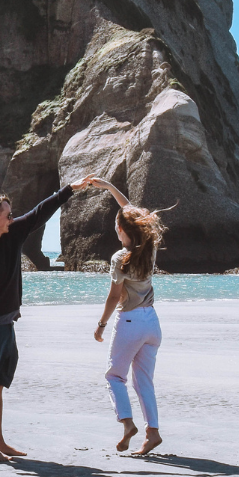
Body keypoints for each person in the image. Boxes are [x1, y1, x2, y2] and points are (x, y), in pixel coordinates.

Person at [0, 178, 94, 462]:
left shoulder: (12, 234)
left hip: (7, 323)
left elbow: (40, 212)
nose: (12, 218)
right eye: (7, 214)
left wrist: (69, 189)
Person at [89, 178, 167, 456]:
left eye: (116, 227)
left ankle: (127, 424)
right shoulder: (149, 248)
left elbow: (113, 297)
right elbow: (133, 210)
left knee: (114, 376)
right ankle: (153, 432)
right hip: (152, 323)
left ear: (121, 229)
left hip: (130, 321)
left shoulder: (119, 257)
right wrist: (109, 187)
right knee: (143, 380)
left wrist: (100, 325)